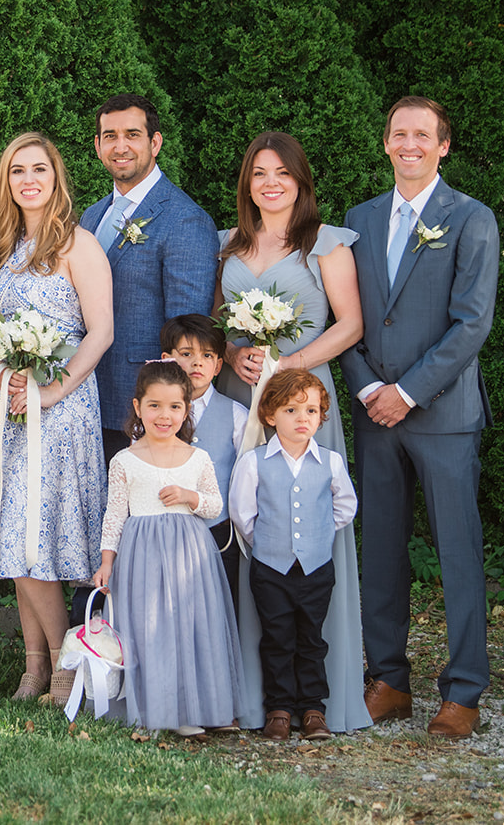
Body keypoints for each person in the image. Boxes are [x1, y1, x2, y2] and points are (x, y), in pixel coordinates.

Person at [340, 97, 499, 739]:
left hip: (443, 414)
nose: (410, 144)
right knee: (378, 550)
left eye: (422, 135)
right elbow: (344, 319)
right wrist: (371, 388)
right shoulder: (360, 219)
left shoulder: (470, 218)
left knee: (457, 552)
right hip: (376, 413)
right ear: (385, 144)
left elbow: (472, 324)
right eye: (399, 134)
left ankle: (464, 691)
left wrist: (407, 391)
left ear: (443, 147)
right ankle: (390, 681)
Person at [212, 130, 370, 734]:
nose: (270, 183)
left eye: (282, 173)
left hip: (301, 403)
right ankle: (253, 695)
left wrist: (291, 366)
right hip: (240, 402)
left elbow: (350, 324)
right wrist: (232, 356)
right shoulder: (225, 245)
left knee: (305, 526)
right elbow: (216, 326)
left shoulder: (326, 245)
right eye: (259, 173)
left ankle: (317, 697)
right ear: (247, 183)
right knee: (246, 522)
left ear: (301, 181)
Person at [0, 132, 113, 706]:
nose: (29, 179)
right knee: (18, 535)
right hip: (6, 403)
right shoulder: (2, 247)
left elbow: (101, 330)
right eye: (17, 171)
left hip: (62, 406)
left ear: (56, 179)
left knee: (39, 537)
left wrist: (53, 390)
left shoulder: (79, 244)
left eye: (40, 170)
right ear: (7, 181)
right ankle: (35, 670)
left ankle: (65, 668)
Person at [92, 361, 243, 736]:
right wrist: (106, 560)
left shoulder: (197, 457)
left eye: (175, 406)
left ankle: (195, 709)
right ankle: (156, 710)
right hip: (142, 554)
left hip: (189, 556)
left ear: (186, 410)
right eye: (155, 405)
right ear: (138, 407)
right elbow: (115, 514)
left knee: (191, 627)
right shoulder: (125, 460)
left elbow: (215, 505)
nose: (165, 415)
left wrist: (189, 496)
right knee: (150, 629)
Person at [80, 94, 219, 462]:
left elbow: (186, 329)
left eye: (132, 135)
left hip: (140, 406)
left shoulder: (184, 220)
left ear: (154, 143)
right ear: (97, 146)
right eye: (109, 136)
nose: (120, 146)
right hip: (82, 399)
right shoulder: (91, 217)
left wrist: (164, 407)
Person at [229, 369, 358, 742]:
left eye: (311, 411)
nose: (303, 419)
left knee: (312, 639)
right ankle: (279, 709)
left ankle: (314, 709)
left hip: (316, 569)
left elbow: (345, 507)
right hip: (271, 570)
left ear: (321, 416)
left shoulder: (330, 462)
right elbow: (243, 513)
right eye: (291, 410)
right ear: (270, 415)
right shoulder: (255, 462)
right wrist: (270, 543)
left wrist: (316, 538)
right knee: (277, 638)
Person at [160, 314, 246, 603]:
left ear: (219, 365)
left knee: (221, 608)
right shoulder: (152, 415)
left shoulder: (236, 414)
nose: (197, 363)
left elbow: (246, 478)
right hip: (165, 534)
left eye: (207, 355)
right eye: (186, 354)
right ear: (167, 360)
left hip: (219, 536)